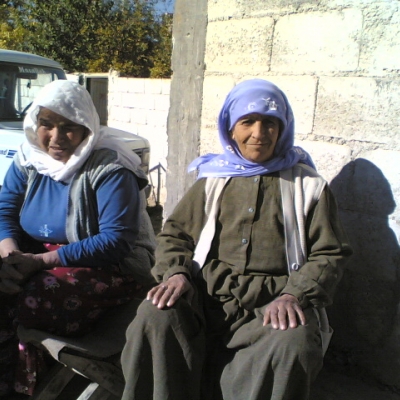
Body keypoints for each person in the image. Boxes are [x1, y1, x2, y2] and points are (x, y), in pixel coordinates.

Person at [121, 79, 352, 400]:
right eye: (248, 122)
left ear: (282, 129)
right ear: (231, 129)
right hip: (205, 298)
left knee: (293, 343)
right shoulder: (213, 180)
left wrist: (293, 295)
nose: (259, 133)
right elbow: (176, 233)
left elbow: (329, 253)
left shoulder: (308, 186)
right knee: (154, 317)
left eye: (270, 123)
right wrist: (176, 273)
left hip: (271, 306)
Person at [0, 80, 156, 398]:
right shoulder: (29, 158)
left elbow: (115, 241)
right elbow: (5, 210)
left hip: (109, 263)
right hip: (34, 255)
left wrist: (39, 263)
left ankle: (23, 382)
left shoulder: (111, 167)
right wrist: (10, 259)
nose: (56, 137)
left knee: (34, 298)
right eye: (47, 124)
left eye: (69, 127)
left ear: (87, 128)